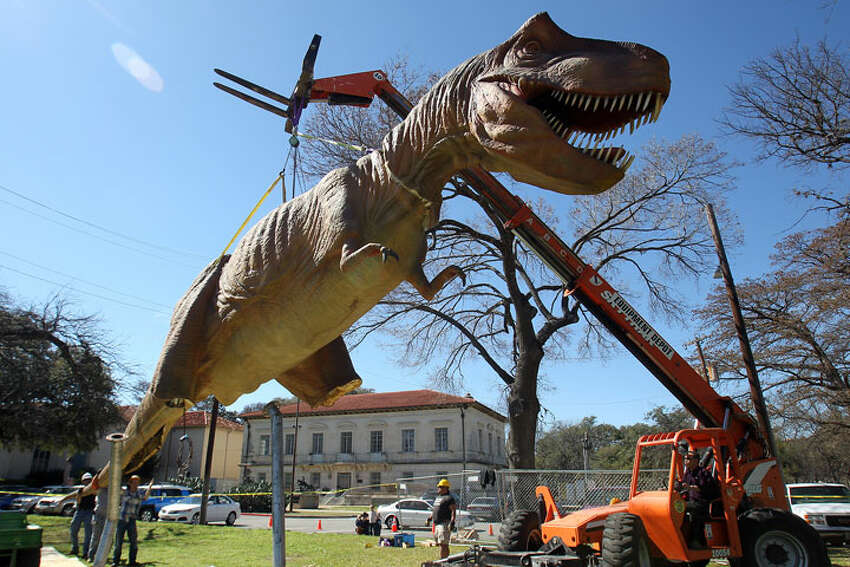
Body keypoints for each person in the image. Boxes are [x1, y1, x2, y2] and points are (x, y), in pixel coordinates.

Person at [675, 448, 720, 548]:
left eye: (688, 459)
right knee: (676, 505)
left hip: (703, 503)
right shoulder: (688, 474)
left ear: (696, 461)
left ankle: (694, 539)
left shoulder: (703, 473)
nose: (685, 461)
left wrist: (691, 487)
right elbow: (682, 486)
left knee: (680, 507)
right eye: (685, 458)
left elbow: (707, 489)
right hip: (691, 501)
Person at [113, 475, 153, 567]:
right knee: (119, 542)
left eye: (137, 482)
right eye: (134, 482)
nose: (135, 484)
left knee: (133, 542)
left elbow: (146, 497)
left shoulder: (139, 494)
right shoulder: (124, 492)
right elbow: (116, 488)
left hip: (132, 520)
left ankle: (132, 561)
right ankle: (116, 562)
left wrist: (150, 486)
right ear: (129, 483)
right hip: (122, 519)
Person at [70, 472, 95, 557]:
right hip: (80, 511)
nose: (87, 481)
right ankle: (75, 548)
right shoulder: (80, 490)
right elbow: (78, 501)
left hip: (89, 512)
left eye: (89, 480)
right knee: (73, 528)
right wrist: (79, 495)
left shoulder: (93, 490)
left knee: (88, 532)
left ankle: (85, 552)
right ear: (83, 481)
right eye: (86, 480)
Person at [430, 478, 456, 560]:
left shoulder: (449, 498)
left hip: (444, 524)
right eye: (438, 487)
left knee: (444, 544)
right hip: (436, 524)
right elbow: (435, 509)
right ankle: (444, 560)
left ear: (445, 488)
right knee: (441, 544)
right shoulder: (438, 497)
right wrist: (429, 518)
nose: (438, 488)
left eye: (440, 487)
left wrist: (452, 522)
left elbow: (453, 511)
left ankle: (443, 560)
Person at [88, 485, 109, 562]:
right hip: (98, 515)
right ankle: (91, 556)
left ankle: (103, 557)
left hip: (109, 516)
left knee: (107, 537)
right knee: (96, 536)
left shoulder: (114, 488)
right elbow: (94, 485)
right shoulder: (100, 487)